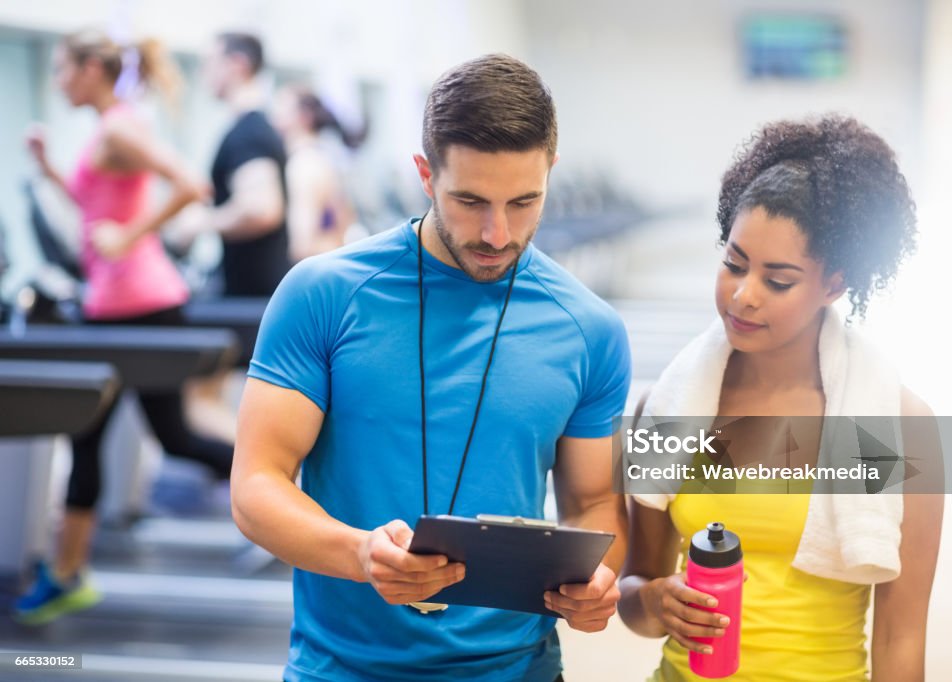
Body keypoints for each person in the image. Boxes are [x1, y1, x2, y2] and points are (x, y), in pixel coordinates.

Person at [231, 54, 631, 681]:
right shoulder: (324, 295)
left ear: (551, 171)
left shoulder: (590, 328)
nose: (498, 234)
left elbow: (594, 502)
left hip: (517, 668)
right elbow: (257, 487)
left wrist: (597, 579)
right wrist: (360, 553)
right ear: (425, 174)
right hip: (343, 667)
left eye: (524, 202)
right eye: (470, 201)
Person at [617, 116, 944, 681]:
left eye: (779, 280)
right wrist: (650, 603)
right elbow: (635, 591)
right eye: (734, 265)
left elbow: (901, 636)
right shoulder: (668, 407)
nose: (743, 296)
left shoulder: (899, 426)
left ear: (834, 285)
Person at [13, 29, 235, 625]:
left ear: (91, 70)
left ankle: (292, 487)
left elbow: (193, 185)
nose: (58, 80)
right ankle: (66, 574)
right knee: (95, 434)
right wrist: (50, 171)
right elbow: (97, 210)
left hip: (141, 304)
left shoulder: (118, 128)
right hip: (115, 305)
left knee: (174, 439)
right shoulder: (111, 126)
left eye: (63, 69)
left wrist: (132, 235)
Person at [177, 31, 290, 297]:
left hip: (254, 296)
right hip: (252, 291)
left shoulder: (249, 132)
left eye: (209, 63)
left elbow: (260, 210)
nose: (203, 73)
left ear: (238, 64)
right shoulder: (251, 128)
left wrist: (200, 222)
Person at [271, 83, 366, 261]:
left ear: (304, 117)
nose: (273, 117)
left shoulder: (304, 164)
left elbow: (302, 246)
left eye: (280, 109)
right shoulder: (321, 159)